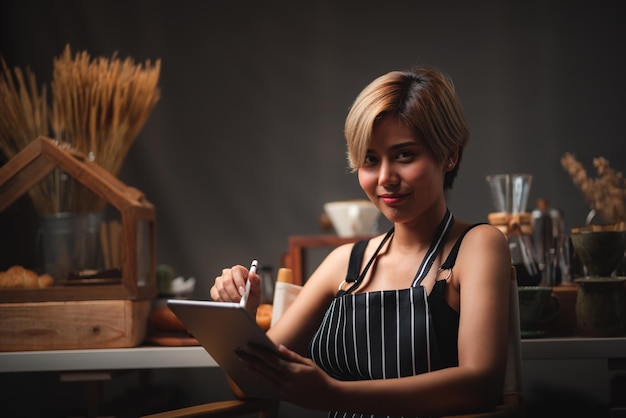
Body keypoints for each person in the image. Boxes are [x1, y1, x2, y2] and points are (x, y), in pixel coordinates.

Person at [211, 66, 512, 417]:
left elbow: (481, 385)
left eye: (404, 155)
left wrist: (335, 395)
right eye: (370, 160)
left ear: (449, 154)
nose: (385, 178)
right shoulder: (344, 263)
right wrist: (241, 316)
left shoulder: (478, 246)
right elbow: (246, 384)